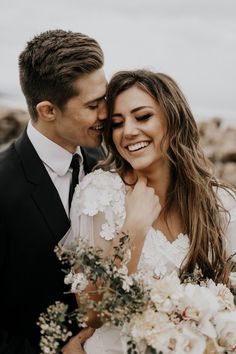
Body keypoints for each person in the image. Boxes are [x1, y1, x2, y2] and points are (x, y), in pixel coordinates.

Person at [61, 69, 236, 353]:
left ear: (173, 118)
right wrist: (133, 229)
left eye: (143, 117)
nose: (128, 131)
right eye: (117, 123)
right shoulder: (100, 194)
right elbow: (92, 313)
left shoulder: (219, 202)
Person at [0, 29, 108, 354]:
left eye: (105, 97)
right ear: (48, 110)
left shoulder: (104, 164)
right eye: (93, 105)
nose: (106, 113)